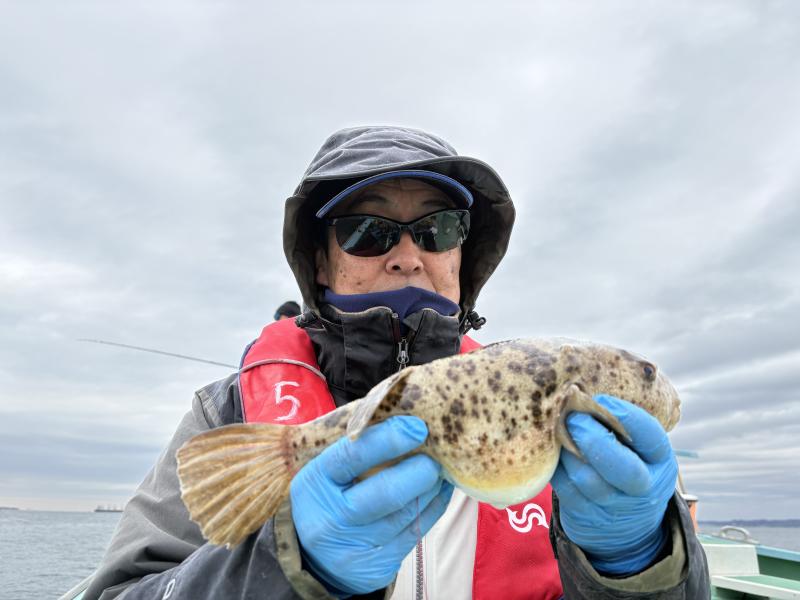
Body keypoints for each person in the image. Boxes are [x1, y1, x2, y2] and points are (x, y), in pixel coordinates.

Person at [85, 126, 709, 599]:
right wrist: (295, 569)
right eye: (368, 230)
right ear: (322, 261)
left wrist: (640, 560)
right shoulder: (228, 415)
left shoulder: (608, 439)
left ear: (464, 255)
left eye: (439, 229)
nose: (409, 255)